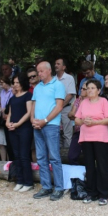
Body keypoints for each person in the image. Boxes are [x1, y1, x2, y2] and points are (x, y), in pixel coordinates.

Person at [75, 79, 108, 205]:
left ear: (99, 90)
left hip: (100, 137)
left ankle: (103, 194)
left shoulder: (103, 101)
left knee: (102, 165)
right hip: (86, 137)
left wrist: (95, 122)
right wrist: (83, 122)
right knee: (89, 165)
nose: (90, 90)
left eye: (92, 88)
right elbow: (76, 119)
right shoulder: (84, 102)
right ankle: (91, 192)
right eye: (88, 88)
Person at [31, 61, 66, 201]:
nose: (39, 74)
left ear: (49, 70)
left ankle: (59, 188)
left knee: (54, 157)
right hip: (37, 125)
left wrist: (44, 121)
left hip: (50, 125)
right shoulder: (37, 87)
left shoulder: (58, 85)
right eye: (38, 71)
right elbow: (33, 104)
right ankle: (46, 186)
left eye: (41, 71)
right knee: (40, 157)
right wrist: (33, 119)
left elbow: (59, 107)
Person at [6, 73, 34, 193]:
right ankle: (20, 180)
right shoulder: (13, 98)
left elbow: (28, 113)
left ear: (22, 83)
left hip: (24, 128)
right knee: (16, 156)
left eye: (17, 82)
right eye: (14, 83)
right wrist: (8, 122)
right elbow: (10, 113)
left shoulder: (28, 95)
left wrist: (18, 124)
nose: (15, 85)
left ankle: (28, 182)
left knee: (24, 156)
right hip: (13, 128)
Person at [55, 58, 76, 148]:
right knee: (56, 133)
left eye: (58, 64)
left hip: (66, 108)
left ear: (64, 67)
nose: (56, 65)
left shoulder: (69, 78)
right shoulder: (53, 79)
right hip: (55, 110)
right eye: (55, 63)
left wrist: (60, 106)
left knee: (67, 133)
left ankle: (68, 155)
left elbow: (70, 94)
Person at [67, 84, 88, 165]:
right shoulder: (78, 100)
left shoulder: (91, 101)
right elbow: (70, 114)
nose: (81, 90)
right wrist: (77, 117)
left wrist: (76, 117)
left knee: (88, 156)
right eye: (81, 88)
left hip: (88, 132)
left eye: (84, 89)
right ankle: (77, 174)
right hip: (78, 131)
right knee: (71, 156)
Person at [0, 76, 13, 161]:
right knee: (1, 141)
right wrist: (0, 109)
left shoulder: (12, 91)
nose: (1, 85)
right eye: (0, 84)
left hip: (10, 117)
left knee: (10, 141)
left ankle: (10, 160)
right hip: (2, 118)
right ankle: (3, 161)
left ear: (7, 82)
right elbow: (0, 103)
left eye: (2, 83)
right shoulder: (2, 92)